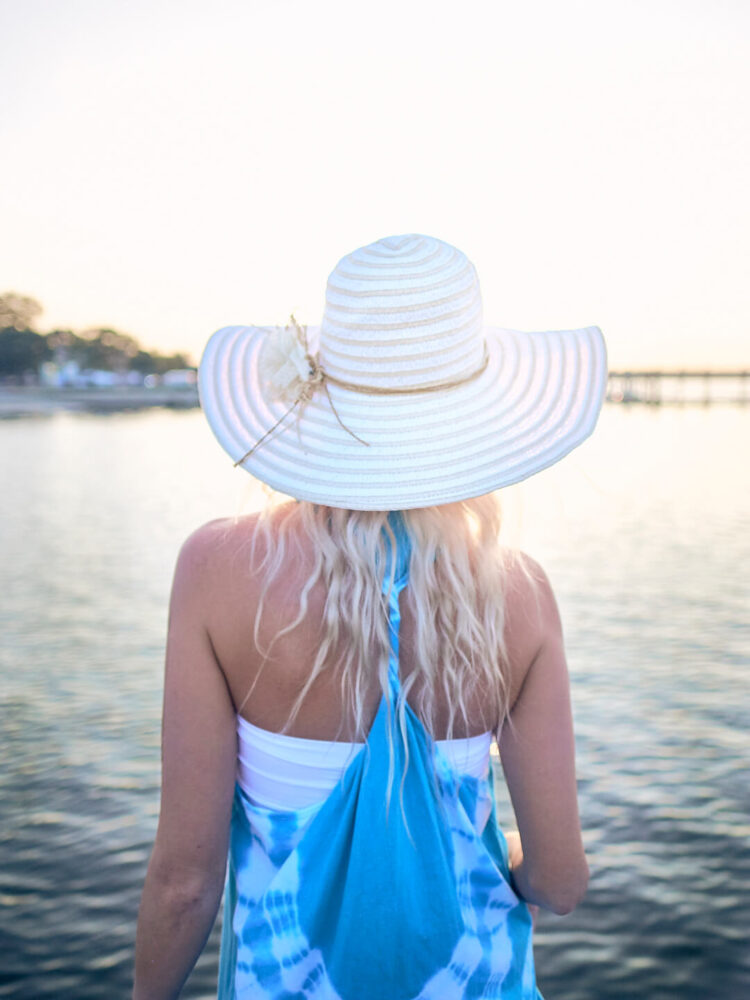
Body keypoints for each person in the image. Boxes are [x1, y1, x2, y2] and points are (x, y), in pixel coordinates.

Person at [133, 234, 607, 1000]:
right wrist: (496, 855)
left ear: (318, 401)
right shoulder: (521, 596)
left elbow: (186, 882)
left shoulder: (216, 571)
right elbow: (559, 883)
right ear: (476, 419)